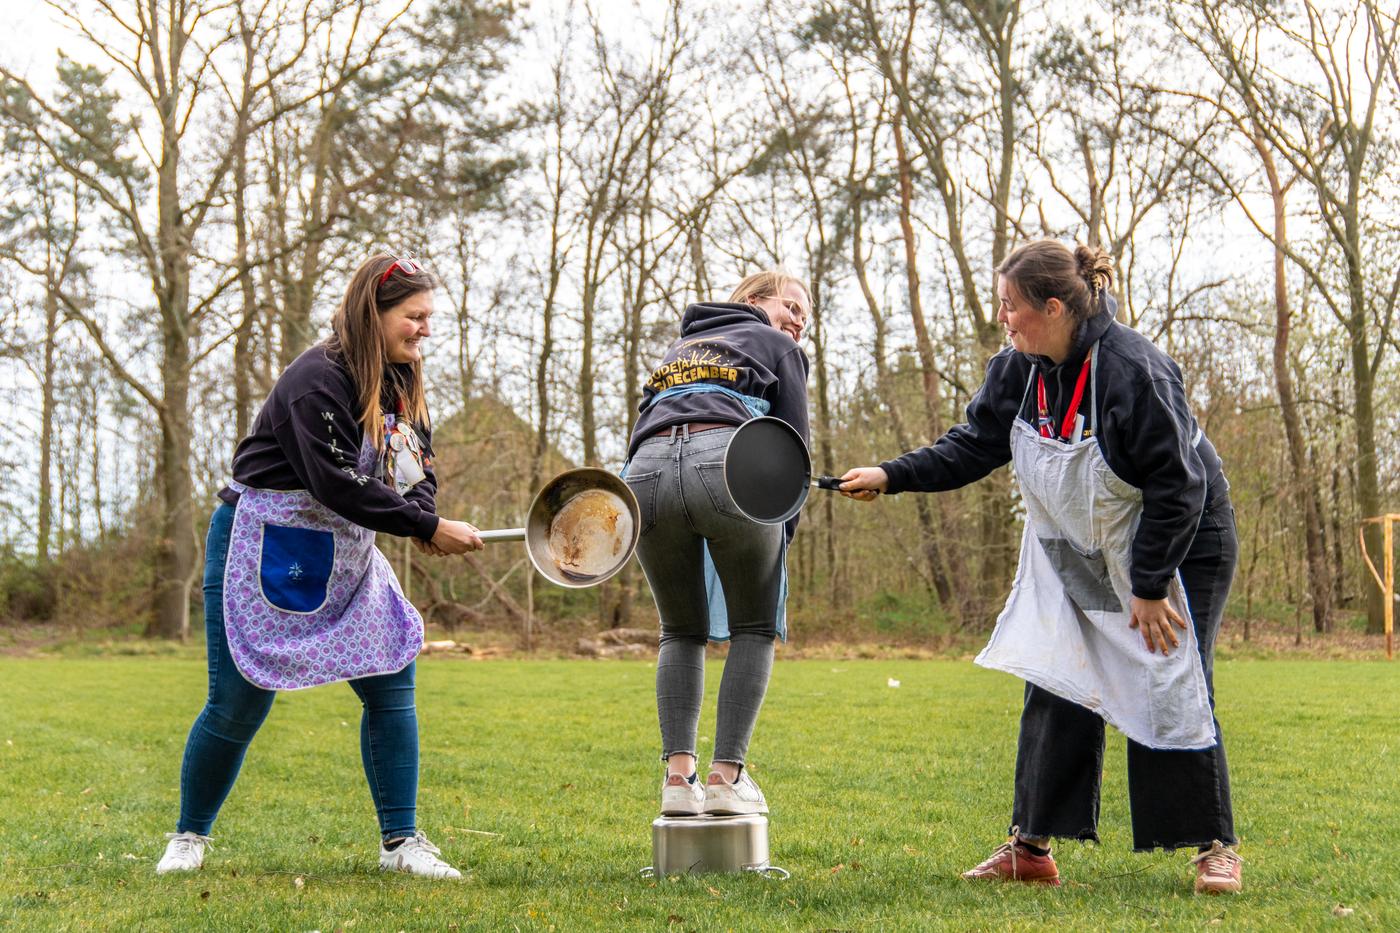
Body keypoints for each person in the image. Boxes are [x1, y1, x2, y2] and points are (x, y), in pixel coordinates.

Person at [840, 240, 1243, 895]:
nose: (1003, 318)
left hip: (1185, 540)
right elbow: (972, 445)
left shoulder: (1134, 372)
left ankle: (1215, 848)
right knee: (1059, 669)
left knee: (1172, 672)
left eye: (1011, 306)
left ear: (1054, 307)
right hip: (1084, 545)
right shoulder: (1016, 370)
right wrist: (892, 474)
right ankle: (1029, 845)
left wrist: (1147, 587)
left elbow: (1180, 485)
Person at [156, 254, 484, 880]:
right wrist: (423, 527)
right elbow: (334, 481)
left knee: (392, 671)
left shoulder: (401, 380)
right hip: (266, 545)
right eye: (413, 318)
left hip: (349, 548)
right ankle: (188, 838)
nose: (424, 331)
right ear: (374, 313)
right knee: (236, 702)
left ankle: (401, 844)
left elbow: (413, 466)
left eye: (428, 319)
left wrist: (425, 519)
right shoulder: (316, 379)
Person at [623, 271, 811, 817]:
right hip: (728, 464)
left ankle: (679, 783)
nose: (798, 321)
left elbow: (645, 425)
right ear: (754, 302)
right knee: (753, 625)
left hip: (644, 475)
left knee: (679, 629)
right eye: (791, 305)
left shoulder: (679, 349)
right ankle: (727, 779)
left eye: (805, 316)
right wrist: (781, 532)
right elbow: (793, 443)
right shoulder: (776, 346)